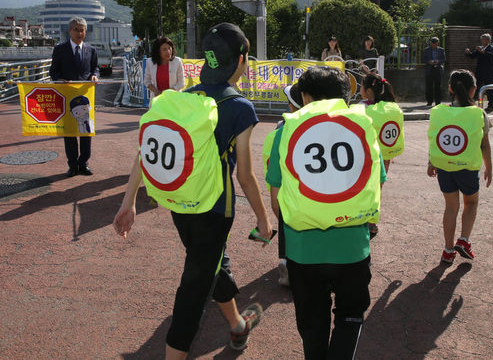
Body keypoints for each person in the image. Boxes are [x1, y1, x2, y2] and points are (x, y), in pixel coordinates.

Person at [112, 23, 273, 359]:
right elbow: (245, 176)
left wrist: (128, 202)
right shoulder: (240, 107)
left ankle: (239, 326)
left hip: (180, 204)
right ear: (242, 59)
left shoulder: (184, 98)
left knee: (213, 264)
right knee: (193, 291)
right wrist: (263, 219)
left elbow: (146, 152)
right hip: (215, 209)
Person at [266, 66, 386, 359]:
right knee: (350, 315)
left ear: (305, 96)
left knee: (312, 325)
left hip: (303, 249)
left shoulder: (286, 131)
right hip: (352, 248)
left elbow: (276, 201)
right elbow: (377, 182)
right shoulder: (362, 125)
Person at [427, 69, 492, 265]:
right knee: (471, 203)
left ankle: (448, 250)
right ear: (474, 90)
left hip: (444, 167)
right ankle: (464, 240)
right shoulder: (478, 113)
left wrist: (431, 162)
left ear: (450, 88)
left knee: (451, 207)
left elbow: (435, 138)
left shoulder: (439, 111)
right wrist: (489, 167)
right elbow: (484, 144)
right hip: (467, 167)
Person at [262, 83, 304, 287]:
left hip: (286, 194)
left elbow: (271, 172)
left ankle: (287, 262)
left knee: (288, 222)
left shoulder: (281, 130)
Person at [49, 16, 99, 177]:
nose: (79, 33)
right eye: (76, 29)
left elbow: (95, 68)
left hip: (85, 96)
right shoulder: (60, 49)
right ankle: (72, 165)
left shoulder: (91, 50)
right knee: (69, 132)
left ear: (85, 31)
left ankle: (84, 163)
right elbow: (53, 71)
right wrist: (58, 80)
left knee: (86, 131)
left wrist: (94, 76)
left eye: (82, 30)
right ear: (69, 31)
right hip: (66, 97)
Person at [357, 73, 404, 239]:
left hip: (367, 155)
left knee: (366, 187)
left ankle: (367, 219)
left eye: (362, 86)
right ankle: (372, 221)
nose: (360, 89)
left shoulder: (364, 108)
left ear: (369, 90)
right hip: (386, 154)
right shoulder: (391, 107)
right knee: (378, 187)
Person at [465, 33, 493, 113]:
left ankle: (491, 105)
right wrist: (468, 53)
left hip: (488, 72)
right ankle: (472, 103)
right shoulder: (480, 48)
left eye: (484, 39)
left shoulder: (492, 48)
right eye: (481, 39)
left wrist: (482, 51)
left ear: (488, 40)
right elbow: (473, 56)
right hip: (479, 72)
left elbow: (490, 56)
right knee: (476, 87)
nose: (482, 41)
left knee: (489, 89)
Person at [421, 37, 446, 106]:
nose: (434, 45)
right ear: (430, 43)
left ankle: (438, 102)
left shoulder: (441, 50)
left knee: (438, 86)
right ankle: (429, 101)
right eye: (433, 43)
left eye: (435, 43)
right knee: (429, 86)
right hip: (429, 69)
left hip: (438, 69)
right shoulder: (426, 50)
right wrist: (429, 62)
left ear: (438, 43)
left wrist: (438, 61)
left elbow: (444, 59)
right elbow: (423, 59)